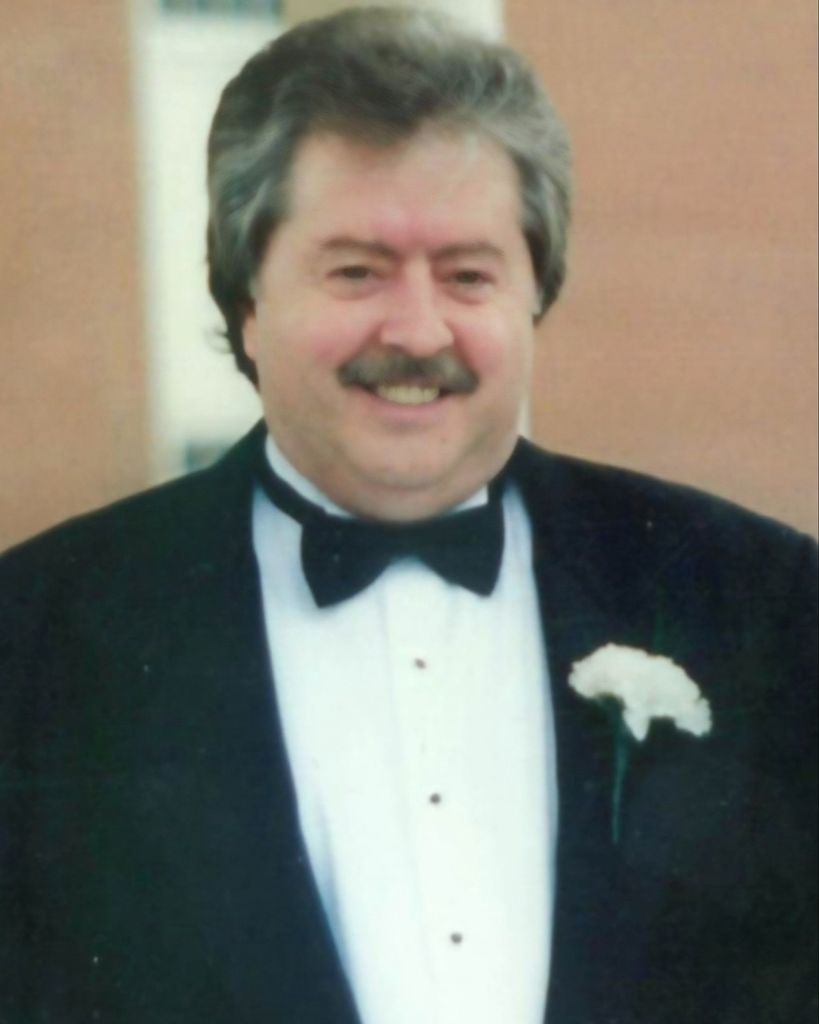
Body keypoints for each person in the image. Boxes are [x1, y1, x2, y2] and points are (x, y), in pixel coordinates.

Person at [0, 7, 815, 1023]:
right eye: (357, 271)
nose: (419, 329)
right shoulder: (32, 641)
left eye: (468, 275)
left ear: (533, 297)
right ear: (246, 301)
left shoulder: (762, 605)